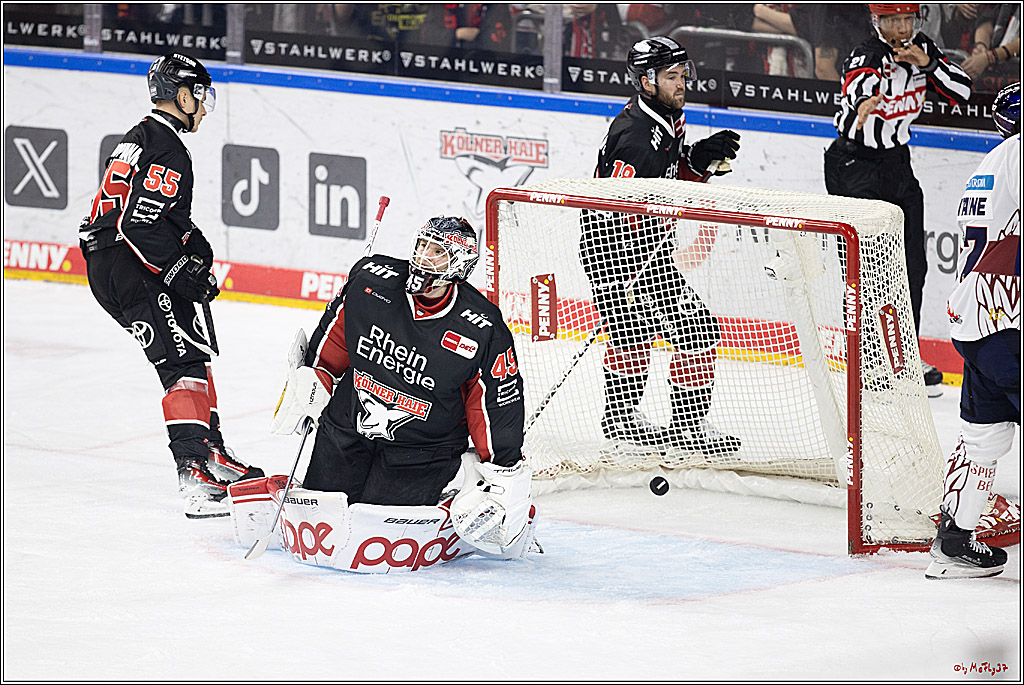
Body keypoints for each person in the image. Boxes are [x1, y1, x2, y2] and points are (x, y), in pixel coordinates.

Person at [270, 217, 533, 553]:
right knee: (323, 518)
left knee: (380, 529)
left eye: (437, 251)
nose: (423, 256)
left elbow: (494, 404)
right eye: (421, 245)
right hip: (347, 428)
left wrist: (501, 467)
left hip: (421, 451)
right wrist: (314, 378)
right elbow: (333, 342)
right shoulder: (370, 281)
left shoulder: (482, 327)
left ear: (460, 262)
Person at [78, 53, 264, 519]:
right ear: (182, 95)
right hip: (132, 265)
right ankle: (194, 475)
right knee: (179, 364)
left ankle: (211, 452)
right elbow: (137, 223)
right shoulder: (169, 149)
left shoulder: (138, 139)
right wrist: (181, 267)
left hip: (113, 263)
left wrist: (189, 242)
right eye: (199, 96)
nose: (202, 107)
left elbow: (146, 215)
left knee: (191, 355)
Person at [581, 36, 742, 458]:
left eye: (682, 74)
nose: (682, 83)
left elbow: (668, 177)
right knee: (679, 330)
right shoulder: (635, 135)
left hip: (647, 247)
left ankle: (636, 421)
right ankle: (646, 423)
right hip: (617, 252)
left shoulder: (667, 118)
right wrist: (618, 275)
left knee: (656, 334)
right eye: (672, 76)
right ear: (646, 81)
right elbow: (612, 205)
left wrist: (698, 161)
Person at [823, 4, 972, 397]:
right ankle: (868, 362)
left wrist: (927, 62)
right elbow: (858, 84)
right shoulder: (866, 52)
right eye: (892, 20)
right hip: (854, 163)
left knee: (912, 266)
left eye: (907, 19)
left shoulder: (923, 48)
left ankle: (904, 355)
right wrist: (866, 100)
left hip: (896, 163)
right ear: (877, 22)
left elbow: (961, 89)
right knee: (868, 270)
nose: (901, 28)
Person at [926, 82, 1019, 580]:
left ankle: (955, 543)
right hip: (1010, 324)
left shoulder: (988, 167)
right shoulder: (1020, 156)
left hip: (980, 325)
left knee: (984, 438)